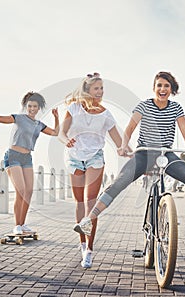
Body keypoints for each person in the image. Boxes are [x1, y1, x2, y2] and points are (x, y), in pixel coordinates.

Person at [74, 71, 185, 238]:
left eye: (166, 86)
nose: (162, 89)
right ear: (154, 88)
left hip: (166, 153)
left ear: (171, 89)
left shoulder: (176, 108)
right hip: (144, 153)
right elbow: (130, 128)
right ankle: (88, 220)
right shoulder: (143, 106)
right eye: (159, 85)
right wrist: (123, 146)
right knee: (118, 183)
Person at [58, 72, 125, 268]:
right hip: (74, 158)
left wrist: (129, 152)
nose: (100, 92)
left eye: (102, 88)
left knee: (91, 204)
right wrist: (66, 140)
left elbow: (119, 141)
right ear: (87, 91)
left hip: (95, 157)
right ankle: (81, 244)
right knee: (79, 203)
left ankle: (89, 250)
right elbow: (61, 133)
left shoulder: (105, 114)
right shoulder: (73, 108)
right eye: (96, 88)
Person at [0, 92, 59, 235]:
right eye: (29, 106)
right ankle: (17, 225)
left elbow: (55, 132)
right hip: (13, 157)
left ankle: (23, 224)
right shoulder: (18, 118)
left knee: (29, 192)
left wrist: (56, 117)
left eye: (34, 106)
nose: (31, 108)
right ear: (26, 106)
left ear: (39, 108)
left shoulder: (39, 124)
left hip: (27, 158)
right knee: (21, 191)